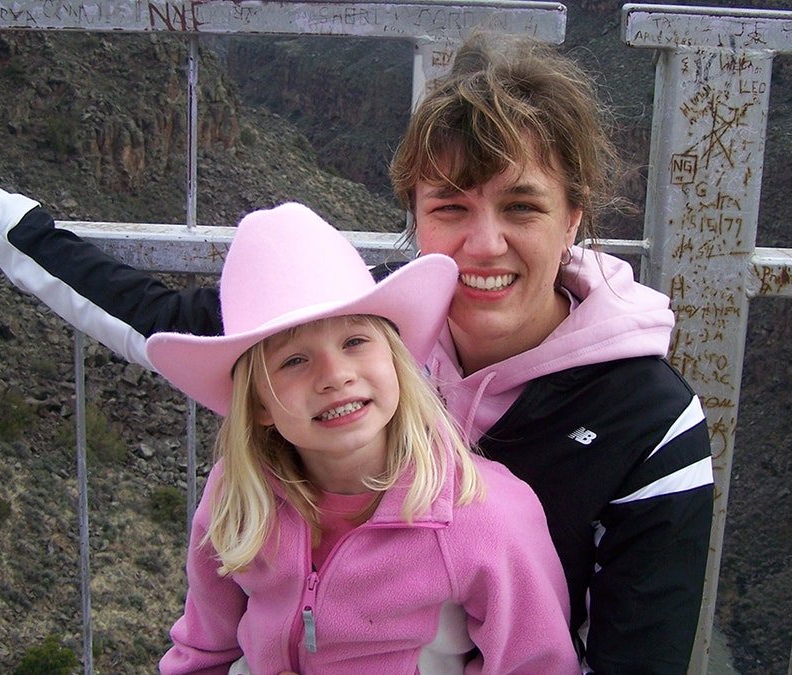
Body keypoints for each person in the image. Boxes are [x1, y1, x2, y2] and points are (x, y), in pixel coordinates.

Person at [0, 31, 714, 674]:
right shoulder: (352, 325)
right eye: (451, 206)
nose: (485, 243)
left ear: (574, 214)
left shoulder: (649, 418)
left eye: (523, 206)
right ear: (415, 213)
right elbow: (157, 317)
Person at [147, 202, 579, 672]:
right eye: (294, 360)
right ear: (259, 406)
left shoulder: (479, 514)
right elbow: (204, 649)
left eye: (355, 342)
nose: (335, 377)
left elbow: (536, 663)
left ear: (396, 361)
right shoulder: (238, 498)